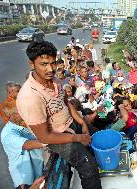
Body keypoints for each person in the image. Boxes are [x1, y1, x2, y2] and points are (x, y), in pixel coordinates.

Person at [16, 41, 102, 189]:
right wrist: (77, 137)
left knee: (99, 138)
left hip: (72, 124)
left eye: (53, 63)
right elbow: (45, 137)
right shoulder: (29, 97)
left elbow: (66, 103)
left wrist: (82, 123)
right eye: (43, 64)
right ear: (31, 63)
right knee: (89, 168)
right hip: (58, 138)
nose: (50, 69)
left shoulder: (53, 80)